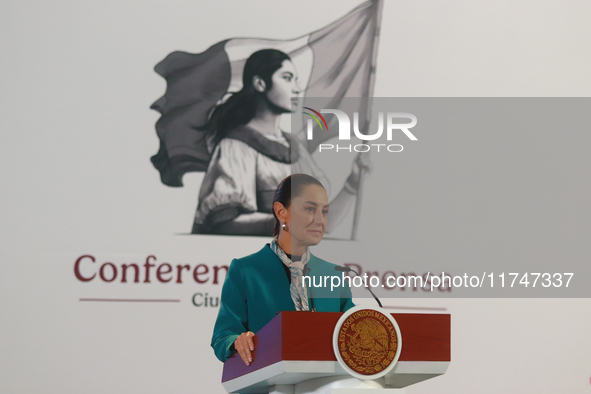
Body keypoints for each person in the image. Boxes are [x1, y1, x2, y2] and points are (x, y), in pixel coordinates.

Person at [192, 49, 371, 235]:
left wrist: (352, 184)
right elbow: (225, 224)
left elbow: (322, 226)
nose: (296, 88)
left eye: (296, 80)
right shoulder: (236, 146)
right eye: (287, 78)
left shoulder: (296, 148)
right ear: (260, 84)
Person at [210, 174, 355, 364]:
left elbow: (355, 331)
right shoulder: (246, 270)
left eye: (325, 211)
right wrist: (237, 341)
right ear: (281, 212)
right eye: (310, 209)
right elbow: (222, 337)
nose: (320, 220)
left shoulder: (333, 275)